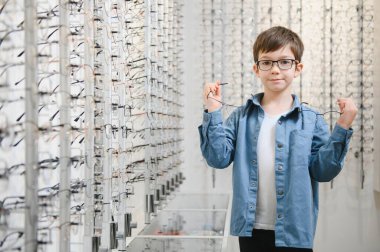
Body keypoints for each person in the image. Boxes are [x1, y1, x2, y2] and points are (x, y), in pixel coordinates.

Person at [198, 26, 357, 252]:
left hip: (294, 231)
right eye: (267, 62)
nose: (275, 70)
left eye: (284, 62)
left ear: (297, 68)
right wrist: (213, 110)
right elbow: (217, 158)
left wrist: (342, 126)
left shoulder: (311, 120)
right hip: (251, 230)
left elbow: (324, 172)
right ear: (256, 68)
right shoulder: (240, 117)